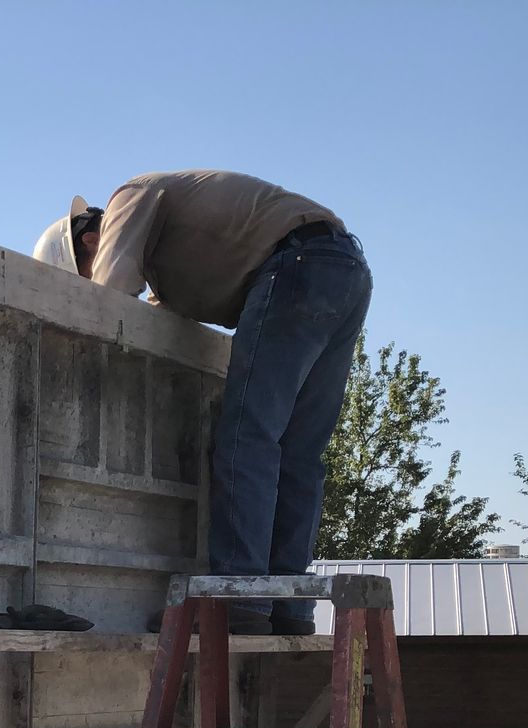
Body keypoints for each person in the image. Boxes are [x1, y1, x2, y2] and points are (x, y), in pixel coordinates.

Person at [32, 172, 372, 635]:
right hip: (345, 270)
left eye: (82, 271)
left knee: (246, 436)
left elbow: (106, 297)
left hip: (296, 264)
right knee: (298, 450)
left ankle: (236, 595)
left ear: (92, 238)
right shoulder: (178, 255)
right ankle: (289, 606)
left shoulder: (130, 197)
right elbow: (162, 311)